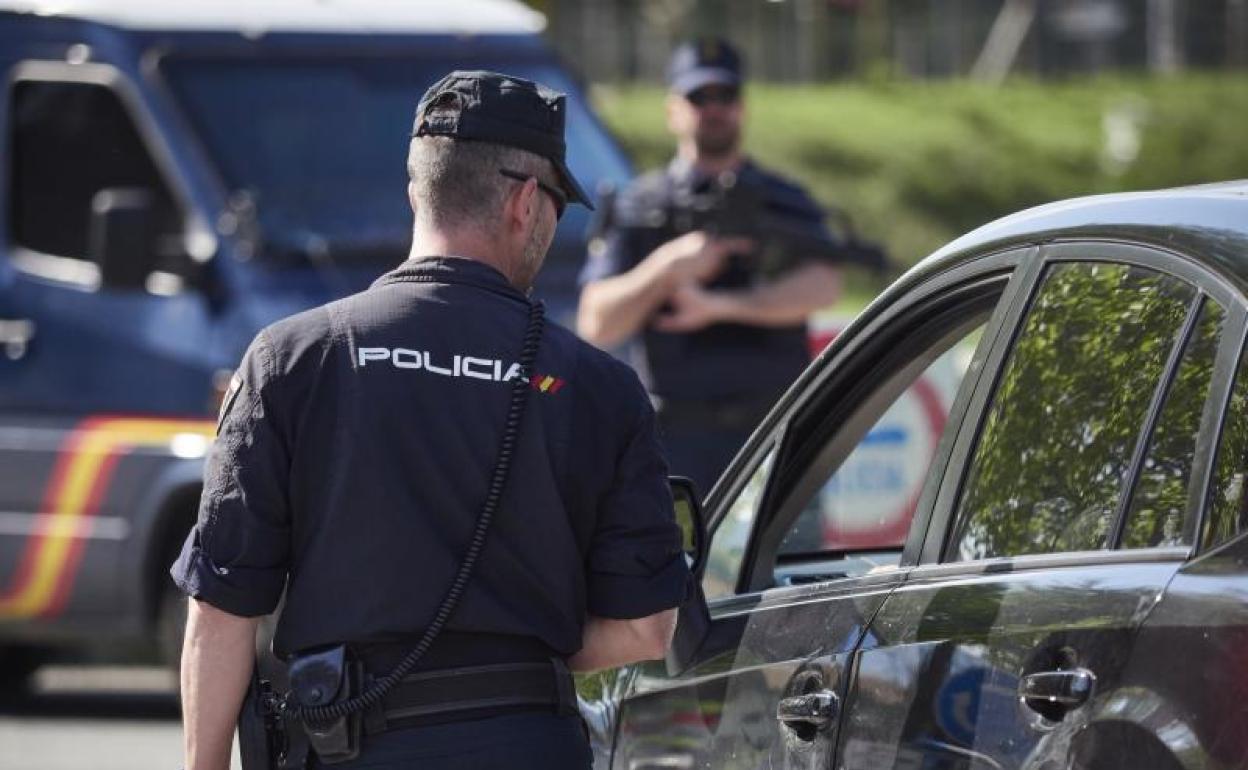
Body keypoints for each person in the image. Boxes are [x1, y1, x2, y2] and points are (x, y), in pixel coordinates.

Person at [171, 70, 691, 770]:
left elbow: (222, 609)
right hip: (526, 745)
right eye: (559, 208)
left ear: (418, 189)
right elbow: (648, 626)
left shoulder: (291, 359)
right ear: (525, 202)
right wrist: (517, 649)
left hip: (348, 746)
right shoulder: (599, 386)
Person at [577, 38, 842, 496]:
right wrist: (667, 267)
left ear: (743, 107)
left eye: (726, 96)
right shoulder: (640, 204)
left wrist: (718, 305)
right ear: (673, 110)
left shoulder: (783, 199)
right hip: (675, 441)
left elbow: (824, 285)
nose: (714, 108)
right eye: (699, 97)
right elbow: (595, 322)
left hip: (774, 432)